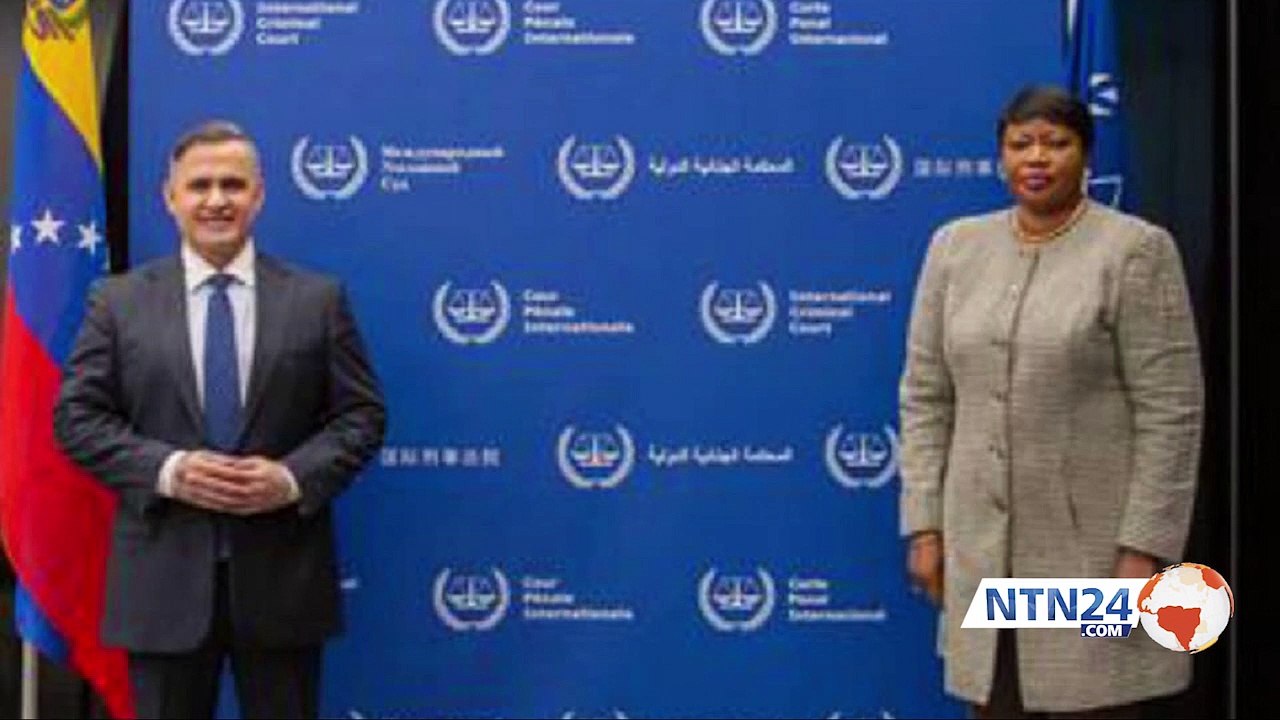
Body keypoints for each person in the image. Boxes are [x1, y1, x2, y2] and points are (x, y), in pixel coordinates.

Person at [53, 120, 387, 719]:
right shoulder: (118, 302)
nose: (216, 200)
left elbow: (361, 415)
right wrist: (169, 470)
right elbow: (77, 418)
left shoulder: (317, 300)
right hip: (161, 587)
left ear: (259, 195)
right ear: (170, 197)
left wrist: (291, 478)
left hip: (284, 585)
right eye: (199, 185)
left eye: (232, 185)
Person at [899, 85, 1203, 718]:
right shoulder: (955, 249)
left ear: (1085, 155)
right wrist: (925, 525)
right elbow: (926, 397)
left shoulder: (1135, 251)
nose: (1036, 158)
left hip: (1092, 558)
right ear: (1001, 157)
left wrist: (1143, 549)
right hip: (981, 555)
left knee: (1091, 701)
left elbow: (1171, 413)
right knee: (998, 702)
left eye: (1055, 143)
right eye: (1021, 144)